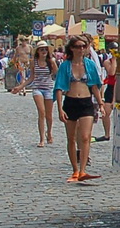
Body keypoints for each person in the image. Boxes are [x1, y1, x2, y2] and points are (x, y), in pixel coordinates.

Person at [56, 36, 104, 182]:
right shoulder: (66, 65)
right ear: (72, 48)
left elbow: (95, 85)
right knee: (71, 138)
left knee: (85, 137)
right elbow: (58, 87)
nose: (81, 49)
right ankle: (75, 170)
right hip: (70, 102)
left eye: (83, 46)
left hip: (86, 102)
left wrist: (101, 104)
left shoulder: (89, 64)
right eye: (77, 46)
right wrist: (59, 109)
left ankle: (83, 170)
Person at [14, 43, 57, 146]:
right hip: (37, 88)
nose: (44, 52)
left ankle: (49, 132)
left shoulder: (51, 62)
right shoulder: (34, 62)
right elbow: (31, 78)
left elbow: (57, 74)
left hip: (48, 88)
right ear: (37, 51)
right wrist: (20, 87)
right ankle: (41, 139)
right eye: (41, 50)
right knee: (41, 112)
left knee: (49, 115)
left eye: (45, 50)